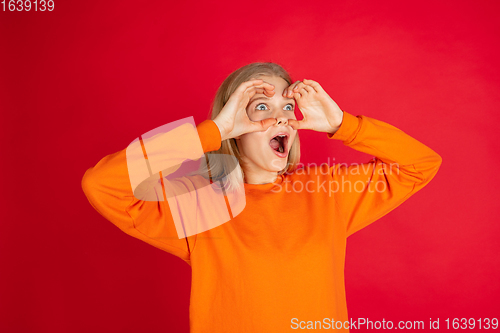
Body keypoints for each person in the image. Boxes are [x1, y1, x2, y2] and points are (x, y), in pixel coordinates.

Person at [81, 62, 442, 332]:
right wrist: (214, 131)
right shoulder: (202, 205)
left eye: (288, 107)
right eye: (261, 108)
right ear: (237, 128)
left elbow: (420, 164)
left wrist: (342, 125)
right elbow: (102, 184)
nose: (280, 119)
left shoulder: (325, 192)